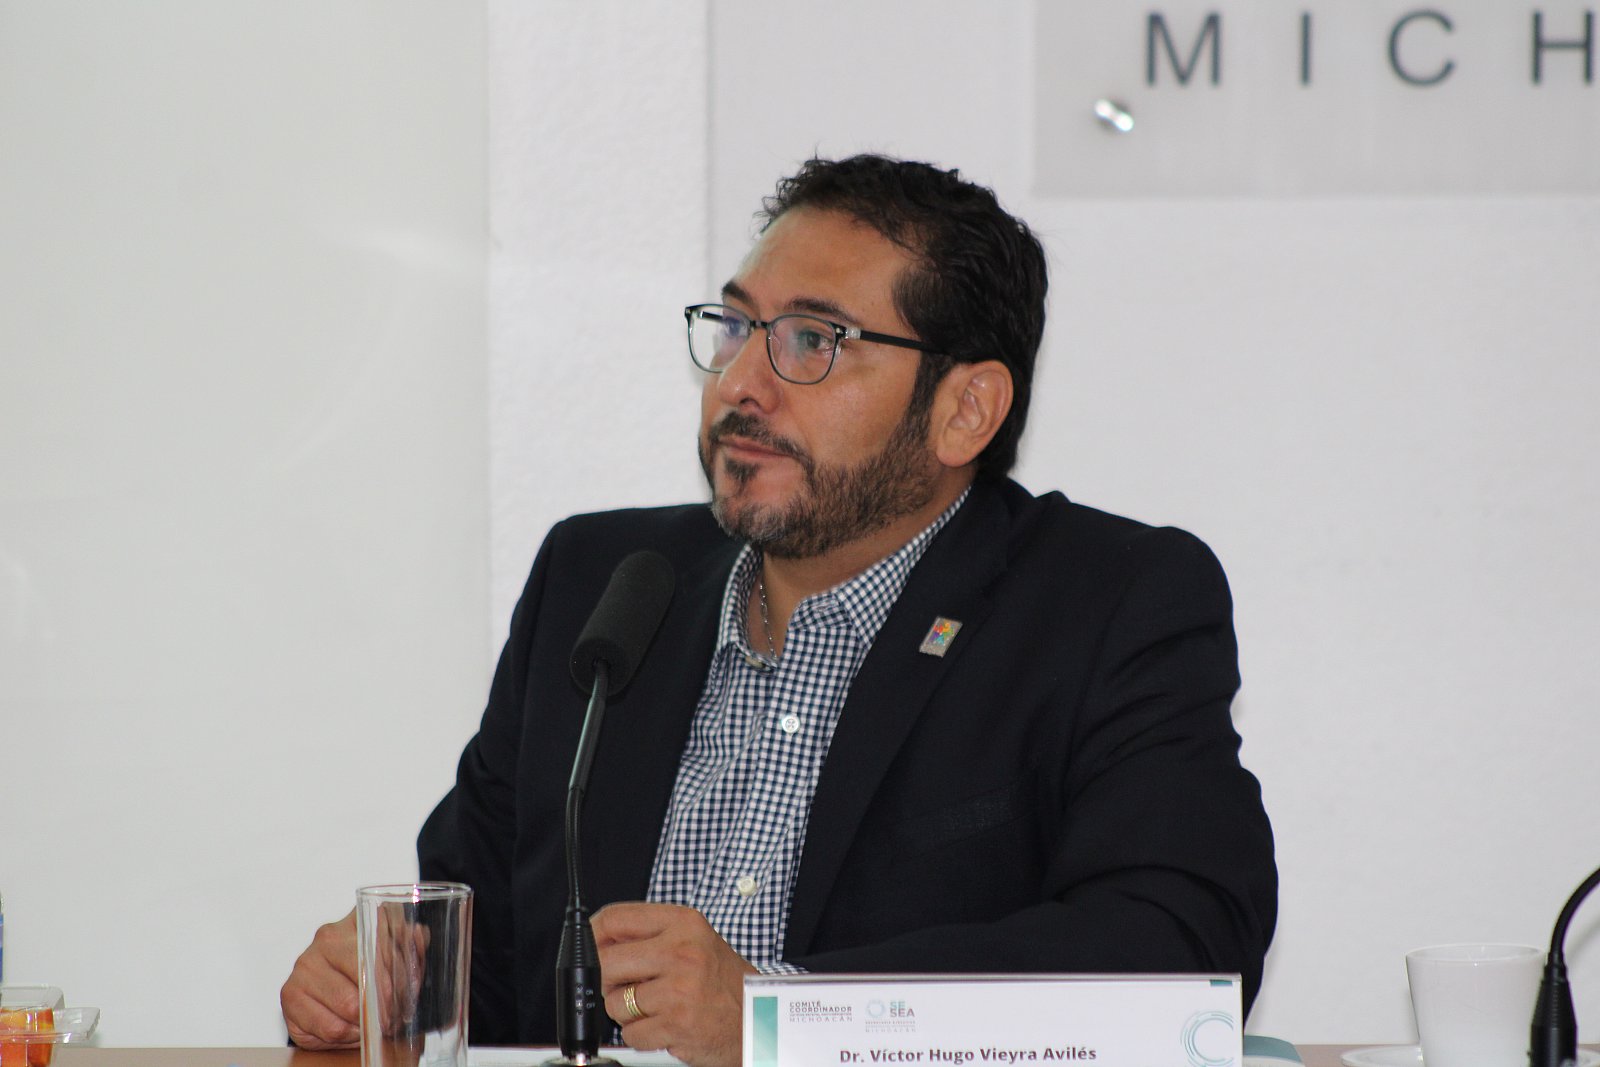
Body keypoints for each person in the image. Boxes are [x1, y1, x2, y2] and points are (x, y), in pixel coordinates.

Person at [280, 154, 1277, 1067]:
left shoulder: (1106, 603)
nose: (740, 384)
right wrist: (393, 982)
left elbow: (1180, 950)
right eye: (736, 329)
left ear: (964, 409)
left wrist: (778, 1018)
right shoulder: (602, 584)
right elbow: (492, 959)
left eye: (812, 340)